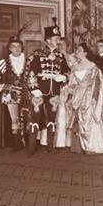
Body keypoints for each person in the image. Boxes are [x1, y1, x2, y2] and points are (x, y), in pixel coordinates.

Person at [23, 19, 70, 155]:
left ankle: (50, 146)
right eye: (55, 38)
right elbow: (31, 72)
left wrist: (63, 77)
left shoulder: (60, 56)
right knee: (35, 117)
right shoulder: (37, 54)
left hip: (54, 91)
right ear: (48, 40)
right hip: (39, 91)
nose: (58, 41)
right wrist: (34, 88)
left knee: (52, 118)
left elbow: (67, 71)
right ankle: (31, 148)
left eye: (58, 38)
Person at [64, 43, 103, 154]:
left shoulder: (92, 66)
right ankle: (79, 145)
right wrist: (70, 96)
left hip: (89, 95)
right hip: (78, 96)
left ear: (85, 53)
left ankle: (92, 145)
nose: (77, 52)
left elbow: (97, 82)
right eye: (76, 50)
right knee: (78, 119)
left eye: (79, 50)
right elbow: (72, 84)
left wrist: (95, 97)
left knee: (91, 119)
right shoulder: (75, 67)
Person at [0, 32, 28, 151]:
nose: (16, 49)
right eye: (13, 46)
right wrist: (0, 86)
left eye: (18, 46)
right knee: (14, 118)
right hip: (11, 94)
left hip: (26, 94)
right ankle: (16, 143)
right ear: (9, 48)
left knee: (26, 117)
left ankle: (26, 141)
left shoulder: (28, 60)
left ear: (22, 47)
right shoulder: (5, 62)